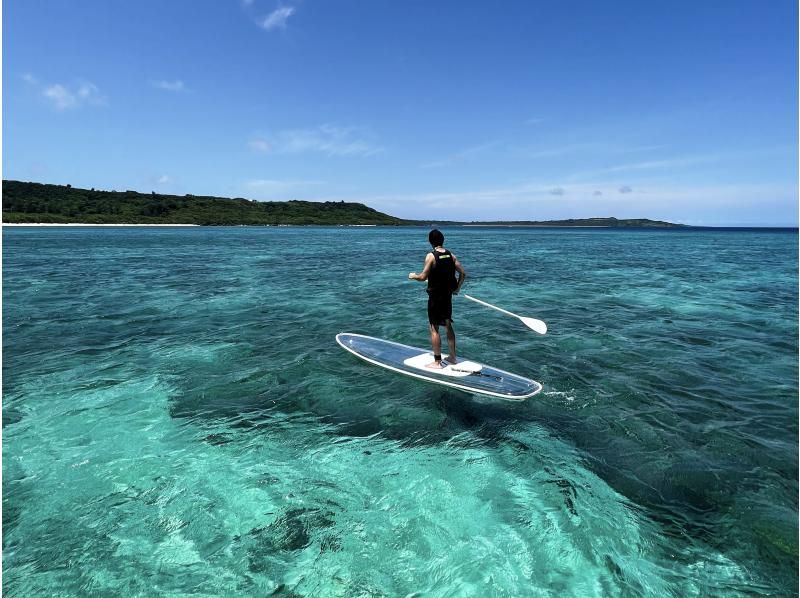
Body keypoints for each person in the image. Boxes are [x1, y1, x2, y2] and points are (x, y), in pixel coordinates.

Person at [408, 229, 466, 368]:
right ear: (442, 240)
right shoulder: (451, 255)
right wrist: (457, 288)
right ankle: (452, 357)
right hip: (447, 296)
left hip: (435, 297)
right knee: (447, 324)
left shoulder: (431, 256)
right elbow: (463, 273)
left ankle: (437, 361)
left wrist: (413, 276)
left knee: (434, 327)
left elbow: (423, 277)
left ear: (430, 241)